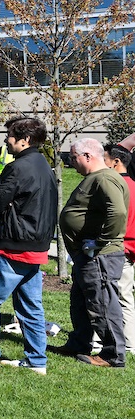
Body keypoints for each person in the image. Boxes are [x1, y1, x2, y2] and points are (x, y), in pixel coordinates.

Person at [0, 115, 58, 374]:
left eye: (10, 136)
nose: (6, 141)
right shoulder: (44, 166)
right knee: (31, 307)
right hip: (37, 246)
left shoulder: (17, 167)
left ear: (24, 140)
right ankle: (37, 360)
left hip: (11, 245)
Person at [51, 137, 128, 367]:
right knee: (81, 302)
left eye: (73, 157)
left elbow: (118, 213)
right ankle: (79, 343)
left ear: (87, 156)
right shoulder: (96, 178)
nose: (71, 161)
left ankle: (112, 354)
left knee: (102, 302)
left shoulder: (104, 178)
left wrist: (99, 242)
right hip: (88, 256)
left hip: (100, 256)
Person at [103, 144, 135, 357]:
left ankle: (124, 343)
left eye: (105, 158)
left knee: (113, 296)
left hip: (119, 248)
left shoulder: (114, 186)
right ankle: (130, 343)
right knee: (125, 296)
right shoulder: (133, 185)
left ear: (116, 162)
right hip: (130, 249)